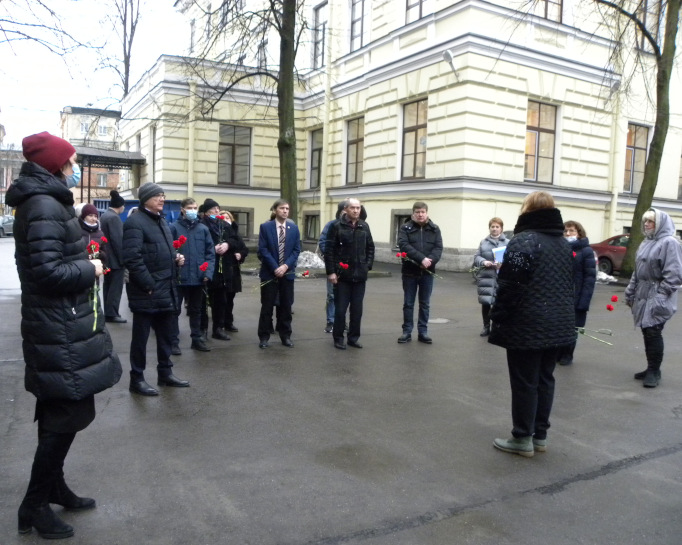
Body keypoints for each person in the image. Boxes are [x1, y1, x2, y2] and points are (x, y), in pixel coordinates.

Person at [7, 131, 121, 539]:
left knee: (62, 414)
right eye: (71, 161)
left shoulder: (48, 201)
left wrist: (84, 258)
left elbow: (52, 259)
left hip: (62, 323)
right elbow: (46, 272)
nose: (74, 168)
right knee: (63, 417)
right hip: (57, 326)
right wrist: (89, 269)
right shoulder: (41, 204)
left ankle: (52, 487)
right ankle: (33, 506)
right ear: (57, 164)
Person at [489, 191, 574, 457]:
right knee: (545, 379)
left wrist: (498, 315)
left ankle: (522, 437)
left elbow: (510, 286)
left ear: (528, 210)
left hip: (526, 325)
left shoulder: (522, 241)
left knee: (525, 381)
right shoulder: (562, 243)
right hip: (557, 324)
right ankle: (540, 435)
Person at [123, 182, 189, 396]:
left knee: (166, 334)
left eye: (163, 195)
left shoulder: (161, 221)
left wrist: (175, 259)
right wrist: (148, 285)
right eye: (157, 195)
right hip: (147, 291)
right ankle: (137, 378)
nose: (162, 198)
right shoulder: (135, 222)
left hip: (167, 288)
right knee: (141, 339)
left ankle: (165, 373)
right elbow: (132, 258)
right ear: (146, 199)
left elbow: (160, 253)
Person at [625, 208, 682, 388]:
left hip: (658, 294)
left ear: (660, 224)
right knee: (647, 331)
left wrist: (661, 295)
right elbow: (638, 270)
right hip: (643, 293)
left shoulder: (669, 243)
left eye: (651, 222)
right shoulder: (646, 242)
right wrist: (630, 291)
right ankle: (651, 367)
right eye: (646, 222)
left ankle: (654, 371)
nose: (647, 225)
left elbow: (674, 273)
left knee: (653, 331)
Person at [324, 197, 375, 350]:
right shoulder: (336, 226)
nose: (355, 210)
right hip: (342, 276)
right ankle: (338, 338)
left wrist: (367, 266)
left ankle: (353, 338)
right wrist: (331, 272)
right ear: (345, 209)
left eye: (358, 208)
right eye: (352, 208)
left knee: (357, 310)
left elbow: (370, 248)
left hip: (360, 276)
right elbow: (329, 250)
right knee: (340, 309)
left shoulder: (364, 226)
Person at [170, 198, 215, 353]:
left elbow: (210, 254)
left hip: (198, 277)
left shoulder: (203, 229)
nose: (193, 210)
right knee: (175, 310)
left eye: (195, 208)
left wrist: (207, 273)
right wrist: (176, 258)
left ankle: (196, 339)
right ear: (182, 209)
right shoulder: (174, 228)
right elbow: (168, 250)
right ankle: (173, 342)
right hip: (179, 277)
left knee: (196, 310)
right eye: (189, 207)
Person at [257, 199, 301, 348]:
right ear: (275, 210)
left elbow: (296, 250)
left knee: (286, 307)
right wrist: (276, 267)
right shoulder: (265, 227)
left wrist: (285, 266)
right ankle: (264, 337)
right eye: (282, 208)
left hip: (287, 274)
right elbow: (263, 250)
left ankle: (285, 336)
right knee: (267, 306)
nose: (285, 211)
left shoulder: (293, 228)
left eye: (287, 209)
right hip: (270, 273)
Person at [397, 201, 443, 344]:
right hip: (410, 272)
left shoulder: (434, 229)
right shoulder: (406, 228)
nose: (420, 214)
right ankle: (407, 331)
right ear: (413, 214)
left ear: (427, 213)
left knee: (425, 304)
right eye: (417, 212)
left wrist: (430, 261)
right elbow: (404, 245)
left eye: (422, 212)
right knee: (409, 303)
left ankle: (423, 332)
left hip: (427, 272)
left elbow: (438, 248)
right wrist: (421, 258)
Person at [557, 220, 596, 366]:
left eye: (572, 231)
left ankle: (568, 354)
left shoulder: (586, 251)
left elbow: (590, 277)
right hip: (561, 296)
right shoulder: (561, 249)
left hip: (577, 295)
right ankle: (558, 353)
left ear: (579, 233)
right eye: (566, 231)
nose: (568, 234)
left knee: (572, 328)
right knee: (560, 326)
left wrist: (584, 301)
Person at [201, 198, 232, 341]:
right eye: (214, 209)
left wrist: (227, 244)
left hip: (221, 269)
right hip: (206, 267)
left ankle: (218, 328)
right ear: (207, 212)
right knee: (202, 301)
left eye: (218, 208)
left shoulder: (224, 225)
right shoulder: (201, 225)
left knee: (221, 301)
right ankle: (202, 330)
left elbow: (236, 240)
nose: (217, 211)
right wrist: (211, 249)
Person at [473, 217, 509, 337]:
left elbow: (512, 259)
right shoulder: (484, 242)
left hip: (502, 277)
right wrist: (484, 262)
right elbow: (477, 256)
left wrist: (503, 264)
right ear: (489, 228)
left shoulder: (508, 242)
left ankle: (497, 327)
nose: (494, 229)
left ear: (501, 228)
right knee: (486, 303)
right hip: (487, 277)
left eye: (497, 227)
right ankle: (486, 326)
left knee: (499, 303)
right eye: (492, 226)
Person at [319, 201, 347, 333]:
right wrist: (331, 258)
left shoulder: (355, 225)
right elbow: (323, 242)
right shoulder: (332, 225)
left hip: (349, 267)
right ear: (341, 211)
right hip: (334, 266)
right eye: (347, 209)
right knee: (332, 295)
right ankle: (331, 321)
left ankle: (342, 321)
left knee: (347, 296)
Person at [100, 190, 127, 323]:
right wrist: (123, 259)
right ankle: (112, 313)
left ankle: (108, 311)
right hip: (116, 260)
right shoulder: (114, 218)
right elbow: (118, 241)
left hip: (106, 259)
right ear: (120, 206)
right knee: (115, 289)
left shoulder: (105, 216)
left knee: (107, 286)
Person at [220, 210, 249, 332]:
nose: (226, 220)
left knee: (230, 298)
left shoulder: (236, 235)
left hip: (233, 271)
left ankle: (228, 322)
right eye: (223, 218)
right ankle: (219, 323)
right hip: (221, 271)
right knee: (221, 299)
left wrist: (240, 255)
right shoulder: (218, 233)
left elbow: (244, 249)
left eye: (228, 218)